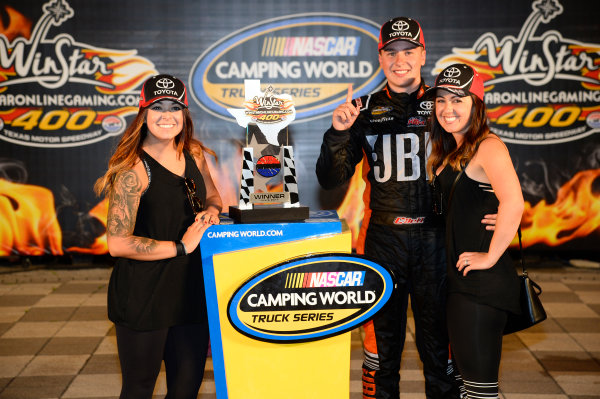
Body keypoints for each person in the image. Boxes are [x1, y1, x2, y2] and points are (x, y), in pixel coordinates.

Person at [316, 16, 465, 399]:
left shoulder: (446, 105)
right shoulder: (361, 109)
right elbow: (331, 181)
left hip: (437, 240)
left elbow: (480, 161)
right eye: (392, 52)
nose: (401, 60)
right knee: (382, 354)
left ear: (423, 54)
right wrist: (337, 133)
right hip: (383, 240)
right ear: (381, 57)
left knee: (440, 351)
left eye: (409, 51)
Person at [94, 74, 222, 398]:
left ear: (185, 113)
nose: (167, 116)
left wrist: (212, 213)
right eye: (158, 107)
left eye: (175, 107)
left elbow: (214, 197)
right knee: (138, 389)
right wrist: (182, 245)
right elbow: (117, 243)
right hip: (144, 295)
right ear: (144, 113)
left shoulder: (193, 153)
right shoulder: (132, 169)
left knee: (186, 388)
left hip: (190, 292)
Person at [426, 63, 524, 399]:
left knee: (481, 390)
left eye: (458, 100)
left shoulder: (488, 146)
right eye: (441, 100)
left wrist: (490, 255)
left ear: (476, 104)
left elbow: (514, 201)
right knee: (470, 387)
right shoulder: (452, 149)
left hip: (480, 286)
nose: (447, 108)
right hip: (459, 281)